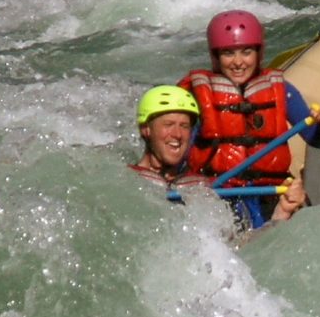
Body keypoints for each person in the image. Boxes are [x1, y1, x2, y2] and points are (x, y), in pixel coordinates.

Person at [178, 10, 320, 226]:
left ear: (259, 53)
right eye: (228, 53)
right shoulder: (197, 96)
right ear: (215, 57)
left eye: (246, 52)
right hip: (219, 198)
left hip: (269, 193)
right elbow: (177, 150)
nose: (238, 62)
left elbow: (317, 139)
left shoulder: (281, 90)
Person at [130, 84, 307, 228]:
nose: (177, 134)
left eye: (184, 126)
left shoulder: (200, 187)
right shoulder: (125, 179)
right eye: (168, 124)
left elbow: (240, 249)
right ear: (145, 129)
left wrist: (281, 213)